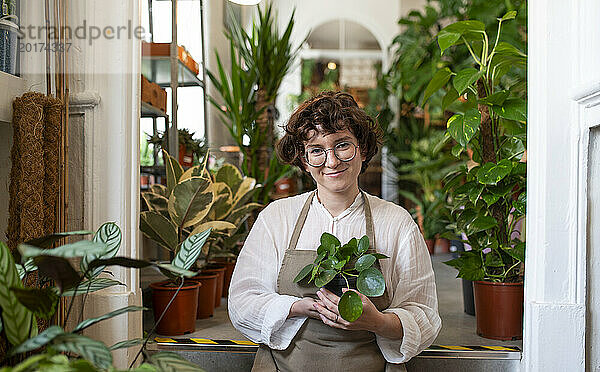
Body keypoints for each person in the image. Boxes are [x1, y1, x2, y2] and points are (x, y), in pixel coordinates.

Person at [228, 91, 441, 372]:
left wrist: (375, 321)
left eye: (342, 145)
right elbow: (242, 302)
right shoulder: (276, 218)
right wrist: (297, 307)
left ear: (362, 150)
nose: (331, 161)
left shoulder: (397, 223)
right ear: (304, 161)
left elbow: (424, 316)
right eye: (317, 150)